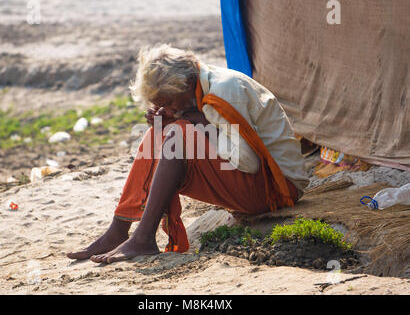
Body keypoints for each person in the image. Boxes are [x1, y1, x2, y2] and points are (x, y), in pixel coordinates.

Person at [67, 44, 309, 264]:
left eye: (169, 103)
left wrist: (197, 122)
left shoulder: (224, 91)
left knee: (177, 134)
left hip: (277, 189)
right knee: (159, 134)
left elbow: (249, 162)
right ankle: (119, 230)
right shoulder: (197, 86)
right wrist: (175, 118)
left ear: (185, 85)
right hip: (255, 183)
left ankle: (143, 237)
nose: (168, 109)